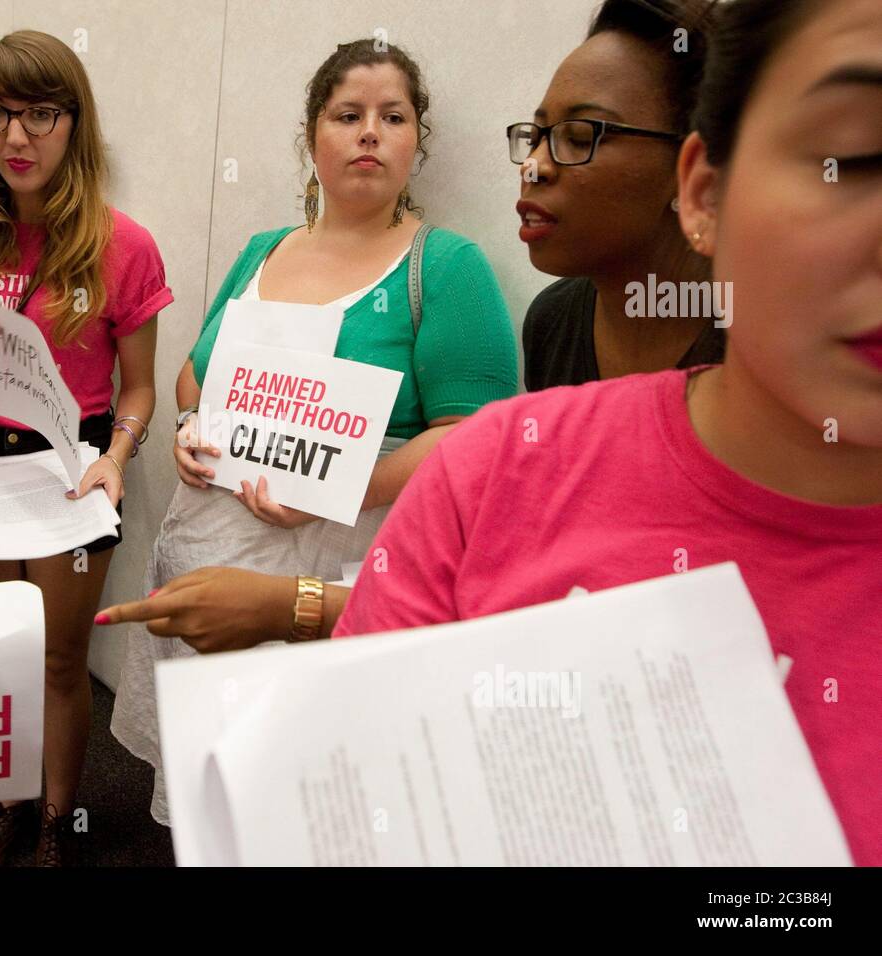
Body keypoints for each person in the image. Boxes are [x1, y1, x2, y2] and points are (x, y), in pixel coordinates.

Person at [332, 0, 882, 865]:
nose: (539, 169)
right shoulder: (514, 432)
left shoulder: (451, 273)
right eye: (849, 159)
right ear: (706, 188)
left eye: (581, 135)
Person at [110, 39, 518, 827]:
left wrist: (340, 488)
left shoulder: (448, 266)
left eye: (392, 117)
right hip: (210, 548)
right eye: (348, 115)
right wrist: (194, 432)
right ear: (314, 136)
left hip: (342, 573)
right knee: (216, 781)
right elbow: (196, 377)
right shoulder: (266, 250)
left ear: (415, 143)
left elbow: (477, 433)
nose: (370, 132)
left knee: (319, 795)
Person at [0, 29, 171, 866]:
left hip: (68, 463)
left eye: (40, 114)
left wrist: (116, 459)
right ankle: (6, 806)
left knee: (56, 660)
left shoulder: (124, 242)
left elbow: (142, 390)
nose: (16, 137)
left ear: (73, 122)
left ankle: (55, 819)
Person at [517, 0, 725, 390]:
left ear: (691, 171)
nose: (533, 165)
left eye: (580, 138)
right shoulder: (551, 322)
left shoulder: (770, 343)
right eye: (535, 137)